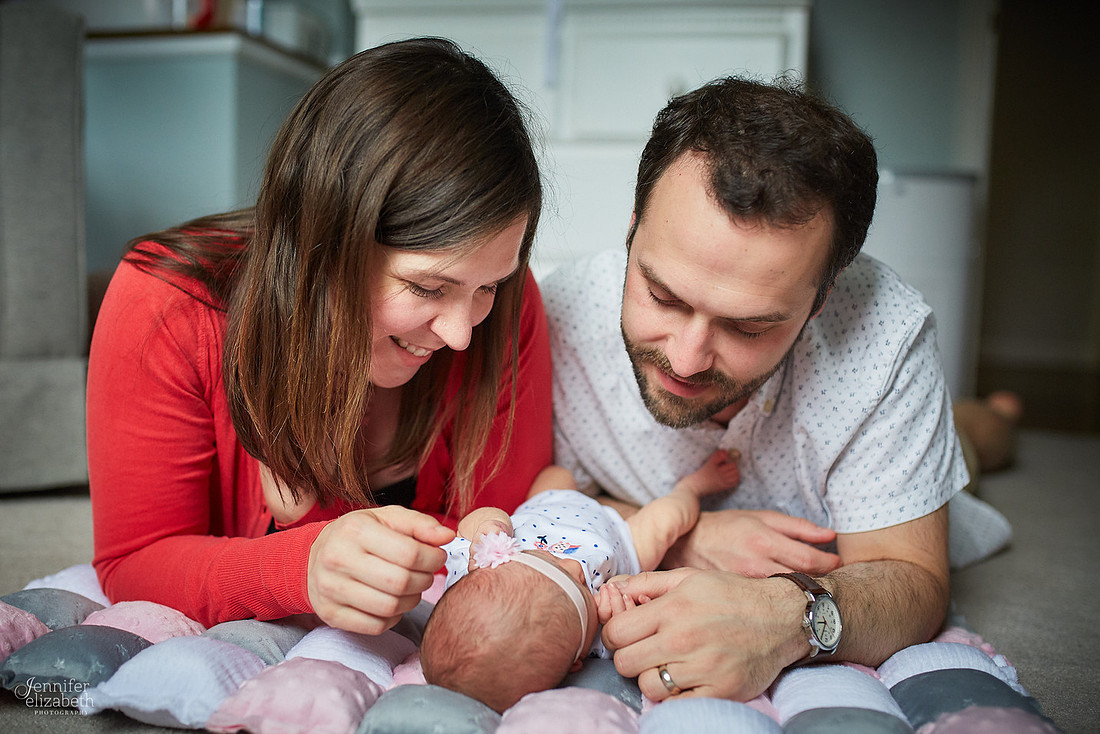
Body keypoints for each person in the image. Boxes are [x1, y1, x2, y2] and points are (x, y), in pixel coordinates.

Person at [542, 74, 1009, 703]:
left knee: (977, 442)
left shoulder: (886, 334)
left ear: (821, 297)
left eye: (748, 327)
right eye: (662, 296)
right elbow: (521, 499)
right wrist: (684, 537)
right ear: (632, 229)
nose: (684, 358)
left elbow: (913, 579)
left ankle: (992, 417)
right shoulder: (555, 315)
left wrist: (785, 616)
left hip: (871, 494)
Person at [86, 38, 552, 634]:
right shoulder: (165, 303)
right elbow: (134, 560)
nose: (461, 335)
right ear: (325, 248)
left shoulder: (507, 300)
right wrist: (299, 567)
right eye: (427, 288)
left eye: (487, 287)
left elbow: (507, 533)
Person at [419, 451, 740, 712]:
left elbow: (469, 527)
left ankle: (586, 485)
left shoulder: (473, 568)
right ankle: (692, 488)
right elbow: (642, 618)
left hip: (550, 505)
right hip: (621, 541)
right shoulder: (598, 643)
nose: (575, 567)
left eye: (555, 564)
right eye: (582, 590)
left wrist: (489, 525)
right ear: (576, 662)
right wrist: (621, 612)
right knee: (666, 519)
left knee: (556, 473)